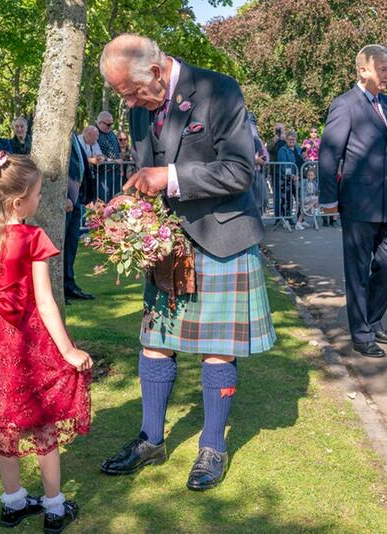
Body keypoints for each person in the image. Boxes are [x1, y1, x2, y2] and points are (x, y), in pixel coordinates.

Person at [98, 34, 276, 491]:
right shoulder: (139, 108)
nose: (131, 102)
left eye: (133, 92)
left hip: (221, 236)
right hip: (168, 244)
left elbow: (240, 170)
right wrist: (132, 216)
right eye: (124, 95)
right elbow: (144, 171)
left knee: (218, 346)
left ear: (156, 72)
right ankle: (150, 440)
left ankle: (212, 445)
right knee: (154, 343)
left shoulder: (219, 90)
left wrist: (170, 176)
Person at [0, 152, 89, 533]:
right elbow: (46, 300)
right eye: (36, 194)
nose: (39, 201)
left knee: (6, 422)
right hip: (30, 340)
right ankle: (54, 506)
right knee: (42, 420)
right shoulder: (32, 237)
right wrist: (67, 349)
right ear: (18, 201)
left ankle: (13, 501)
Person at [319, 44, 387, 358]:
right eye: (383, 69)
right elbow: (330, 154)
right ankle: (362, 333)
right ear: (364, 69)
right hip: (358, 204)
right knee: (357, 270)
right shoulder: (345, 105)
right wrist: (328, 198)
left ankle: (372, 317)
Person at [63, 131, 94, 303]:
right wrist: (64, 196)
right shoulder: (57, 133)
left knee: (71, 245)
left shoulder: (72, 134)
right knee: (61, 246)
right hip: (65, 200)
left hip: (75, 200)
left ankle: (69, 284)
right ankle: (57, 288)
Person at [277, 130, 304, 229]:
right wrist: (291, 175)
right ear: (286, 139)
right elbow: (284, 165)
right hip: (286, 178)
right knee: (287, 199)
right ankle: (286, 219)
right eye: (290, 139)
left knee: (299, 198)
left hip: (298, 177)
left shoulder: (298, 148)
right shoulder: (282, 150)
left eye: (294, 139)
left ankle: (300, 220)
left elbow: (301, 161)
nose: (292, 141)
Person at [297, 165, 318, 230]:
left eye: (311, 175)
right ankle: (316, 210)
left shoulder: (315, 183)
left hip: (311, 199)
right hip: (305, 198)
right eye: (308, 175)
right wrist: (296, 181)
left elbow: (317, 191)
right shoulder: (304, 181)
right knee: (316, 199)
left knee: (304, 211)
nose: (310, 177)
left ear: (314, 176)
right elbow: (298, 186)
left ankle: (298, 223)